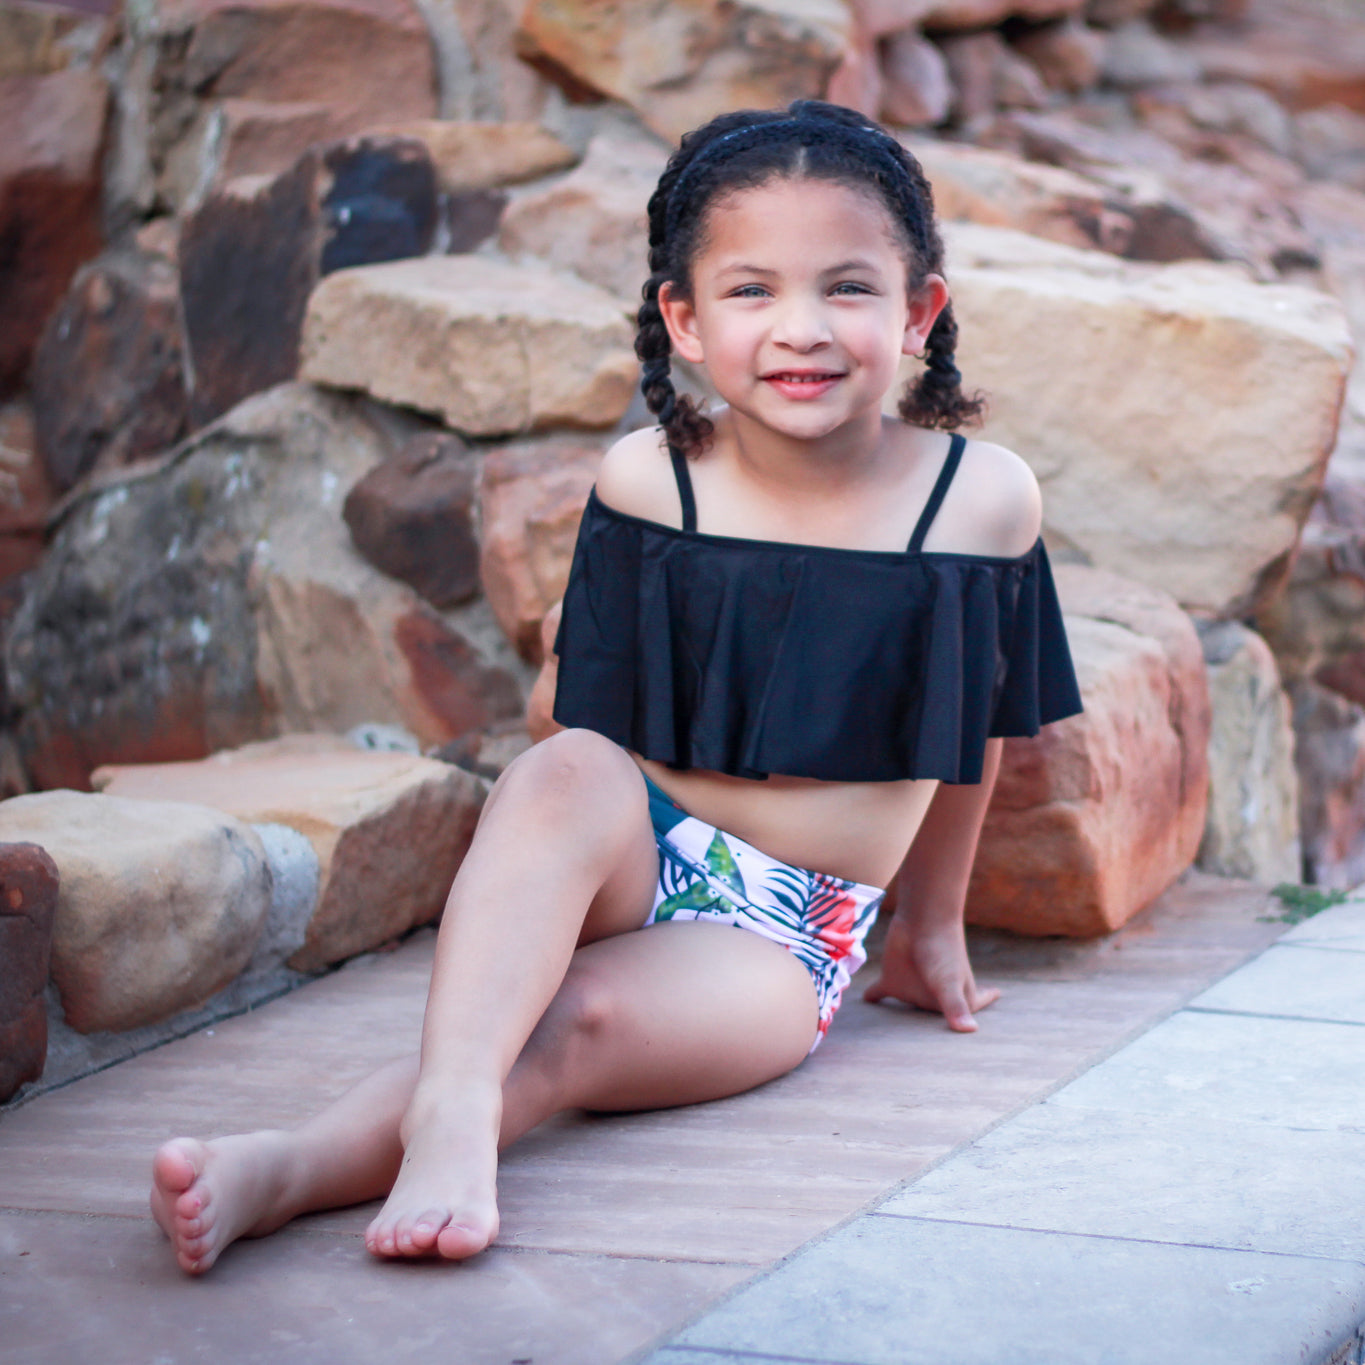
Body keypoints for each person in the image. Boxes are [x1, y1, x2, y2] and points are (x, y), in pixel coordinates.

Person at [149, 100, 1082, 1275]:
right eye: (751, 292)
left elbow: (971, 731)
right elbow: (577, 734)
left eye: (848, 288)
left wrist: (935, 927)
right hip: (638, 839)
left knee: (575, 1021)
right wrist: (559, 693)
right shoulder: (651, 483)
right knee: (563, 767)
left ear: (919, 311)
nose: (803, 330)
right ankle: (447, 1114)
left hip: (784, 930)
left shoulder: (978, 500)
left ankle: (281, 1168)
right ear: (684, 322)